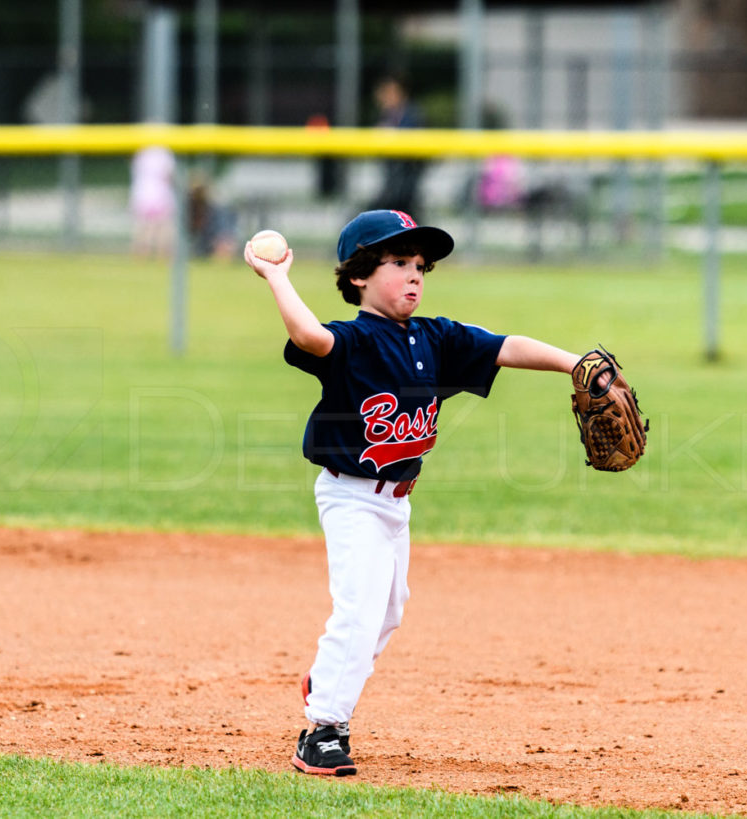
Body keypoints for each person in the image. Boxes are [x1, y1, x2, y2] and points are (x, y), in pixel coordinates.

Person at [242, 209, 607, 777]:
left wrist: (574, 365)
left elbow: (506, 347)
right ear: (359, 276)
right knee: (360, 610)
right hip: (352, 496)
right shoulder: (353, 340)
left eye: (421, 265)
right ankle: (324, 731)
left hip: (396, 503)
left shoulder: (436, 338)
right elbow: (308, 336)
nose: (414, 275)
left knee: (388, 614)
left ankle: (331, 675)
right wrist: (278, 277)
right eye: (398, 263)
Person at [366, 76, 427, 218]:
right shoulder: (385, 116)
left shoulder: (413, 114)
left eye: (388, 93)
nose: (383, 98)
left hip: (406, 177)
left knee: (400, 213)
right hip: (392, 179)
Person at [129, 145, 176, 258]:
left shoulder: (142, 152)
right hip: (160, 195)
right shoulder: (165, 153)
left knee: (144, 229)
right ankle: (161, 257)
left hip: (142, 194)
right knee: (162, 230)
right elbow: (169, 175)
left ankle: (142, 257)